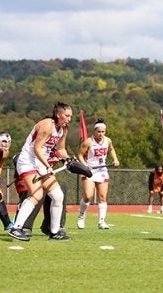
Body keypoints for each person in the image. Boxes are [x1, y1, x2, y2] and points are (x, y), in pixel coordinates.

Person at [8, 102, 74, 241]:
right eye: (67, 115)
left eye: (70, 116)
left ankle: (54, 232)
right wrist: (48, 166)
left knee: (58, 196)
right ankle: (16, 228)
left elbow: (60, 149)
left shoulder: (63, 129)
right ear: (58, 114)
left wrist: (68, 159)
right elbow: (36, 148)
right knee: (37, 194)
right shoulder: (47, 125)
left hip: (41, 163)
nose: (69, 119)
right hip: (28, 161)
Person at [76, 118, 120, 230]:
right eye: (98, 131)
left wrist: (115, 159)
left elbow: (111, 149)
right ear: (94, 131)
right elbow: (80, 154)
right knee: (88, 196)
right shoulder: (88, 142)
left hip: (102, 171)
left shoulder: (108, 141)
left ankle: (101, 222)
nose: (100, 134)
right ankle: (81, 216)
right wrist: (85, 165)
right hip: (89, 171)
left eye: (103, 132)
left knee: (102, 197)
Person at [11, 153, 68, 237]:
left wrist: (70, 161)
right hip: (30, 175)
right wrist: (47, 166)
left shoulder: (57, 150)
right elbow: (18, 158)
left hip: (44, 173)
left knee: (58, 193)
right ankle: (22, 226)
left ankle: (54, 228)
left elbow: (64, 154)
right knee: (37, 193)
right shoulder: (36, 150)